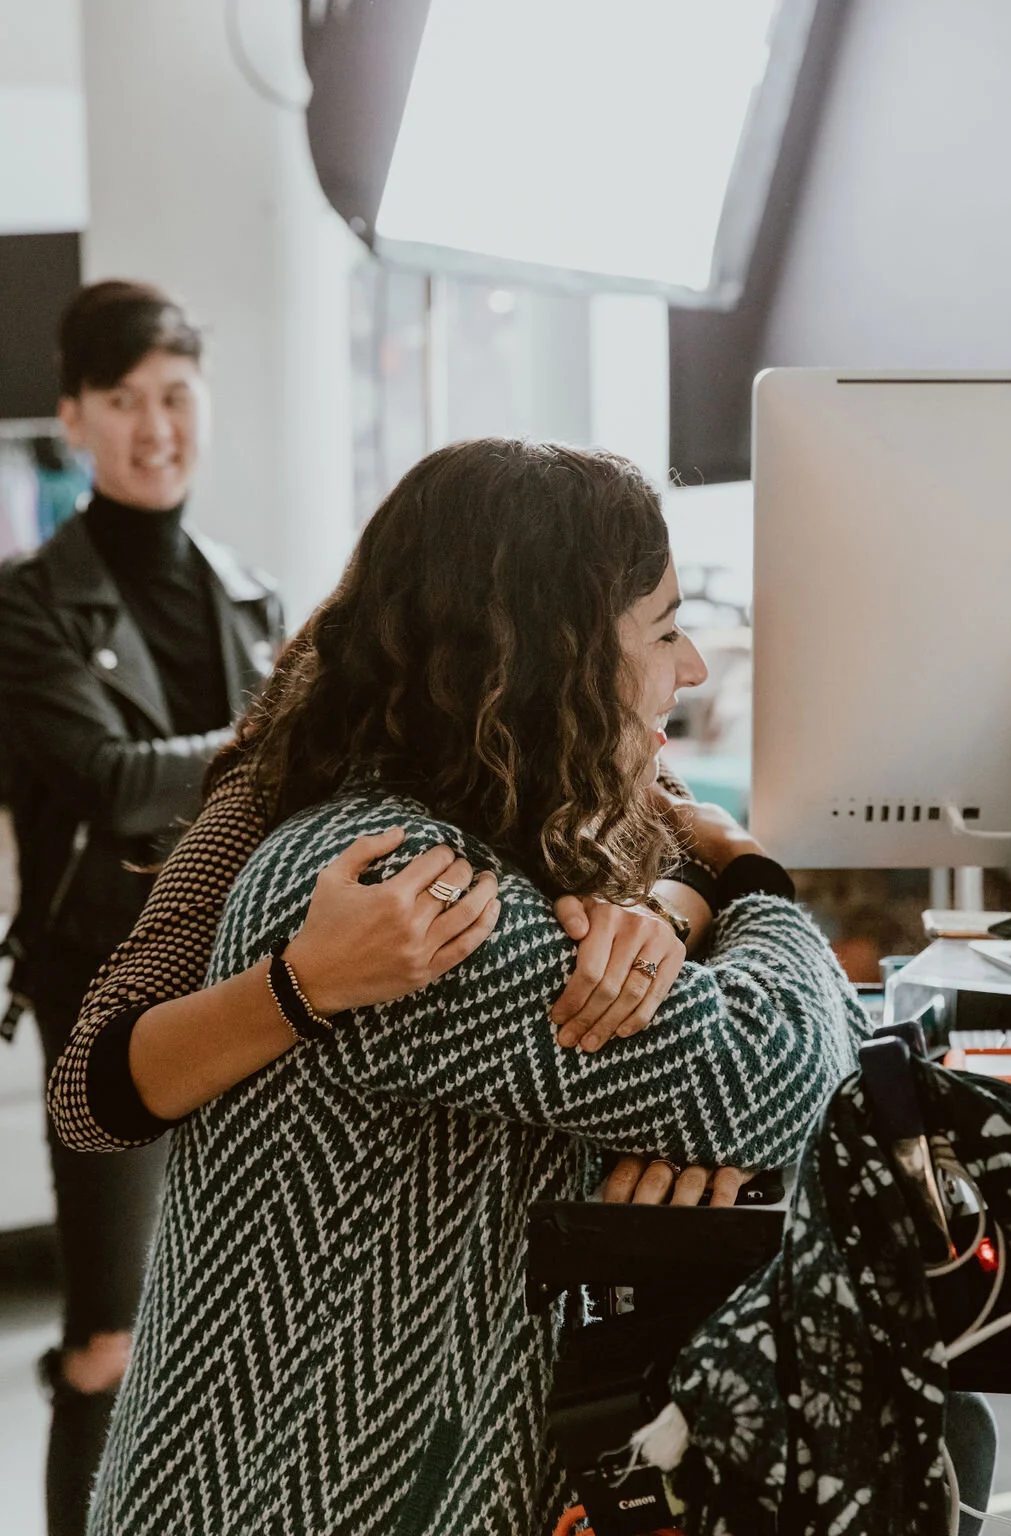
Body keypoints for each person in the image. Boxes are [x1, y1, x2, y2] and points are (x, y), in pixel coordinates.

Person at [84, 438, 868, 1536]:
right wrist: (751, 872)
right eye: (667, 630)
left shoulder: (487, 816)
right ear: (548, 657)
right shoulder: (409, 889)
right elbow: (790, 1077)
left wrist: (668, 909)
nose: (691, 669)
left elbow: (662, 847)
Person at [0, 279, 289, 1536]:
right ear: (74, 421)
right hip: (104, 990)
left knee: (240, 1332)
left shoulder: (252, 595)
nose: (154, 425)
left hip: (251, 980)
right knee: (114, 1332)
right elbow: (111, 783)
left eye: (175, 394)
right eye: (124, 400)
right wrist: (277, 740)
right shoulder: (24, 603)